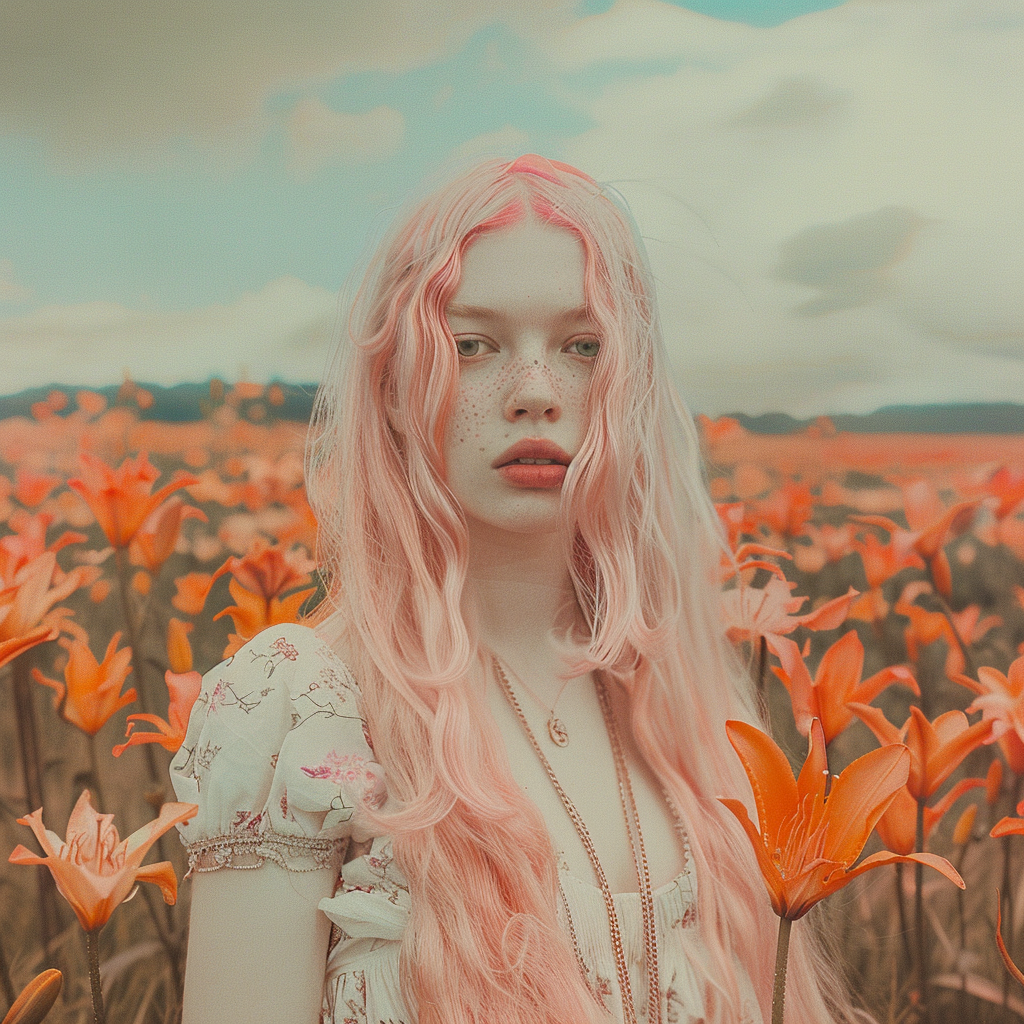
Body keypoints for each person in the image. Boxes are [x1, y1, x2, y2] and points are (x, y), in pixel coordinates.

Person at [170, 154, 852, 1024]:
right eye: (471, 345)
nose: (535, 393)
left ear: (629, 384)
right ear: (389, 388)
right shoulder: (297, 706)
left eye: (581, 346)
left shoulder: (690, 712)